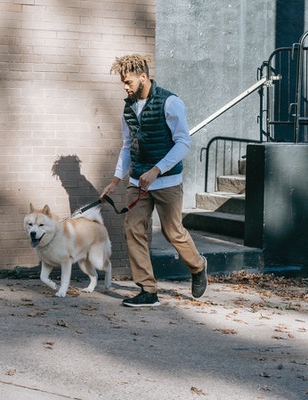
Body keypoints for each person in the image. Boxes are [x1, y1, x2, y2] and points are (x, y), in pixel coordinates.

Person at [100, 54, 207, 307]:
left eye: (128, 82)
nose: (125, 87)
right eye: (123, 83)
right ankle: (147, 290)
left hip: (167, 180)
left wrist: (157, 170)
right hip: (138, 181)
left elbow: (183, 142)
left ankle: (198, 266)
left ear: (143, 77)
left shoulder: (170, 102)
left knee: (173, 232)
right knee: (133, 229)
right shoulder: (128, 107)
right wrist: (116, 180)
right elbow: (127, 146)